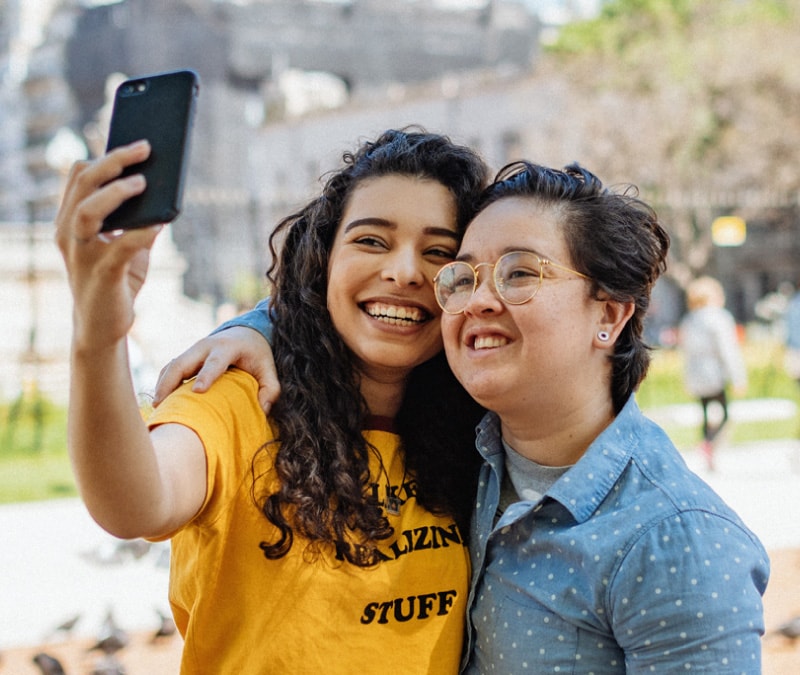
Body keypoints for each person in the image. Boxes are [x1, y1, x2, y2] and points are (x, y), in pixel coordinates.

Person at [158, 162, 769, 673]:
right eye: (464, 275)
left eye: (520, 273)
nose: (478, 299)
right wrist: (259, 324)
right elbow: (366, 303)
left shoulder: (674, 540)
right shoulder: (463, 457)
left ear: (608, 315)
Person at [55, 128, 491, 674]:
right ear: (322, 259)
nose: (404, 272)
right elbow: (134, 503)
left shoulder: (482, 429)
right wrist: (98, 336)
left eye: (438, 253)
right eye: (371, 241)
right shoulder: (244, 395)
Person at [679, 275, 747, 470]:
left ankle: (707, 445)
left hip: (696, 374)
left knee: (705, 413)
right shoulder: (719, 318)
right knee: (724, 414)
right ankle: (710, 443)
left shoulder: (689, 320)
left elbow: (686, 350)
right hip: (715, 374)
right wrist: (737, 377)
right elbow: (728, 350)